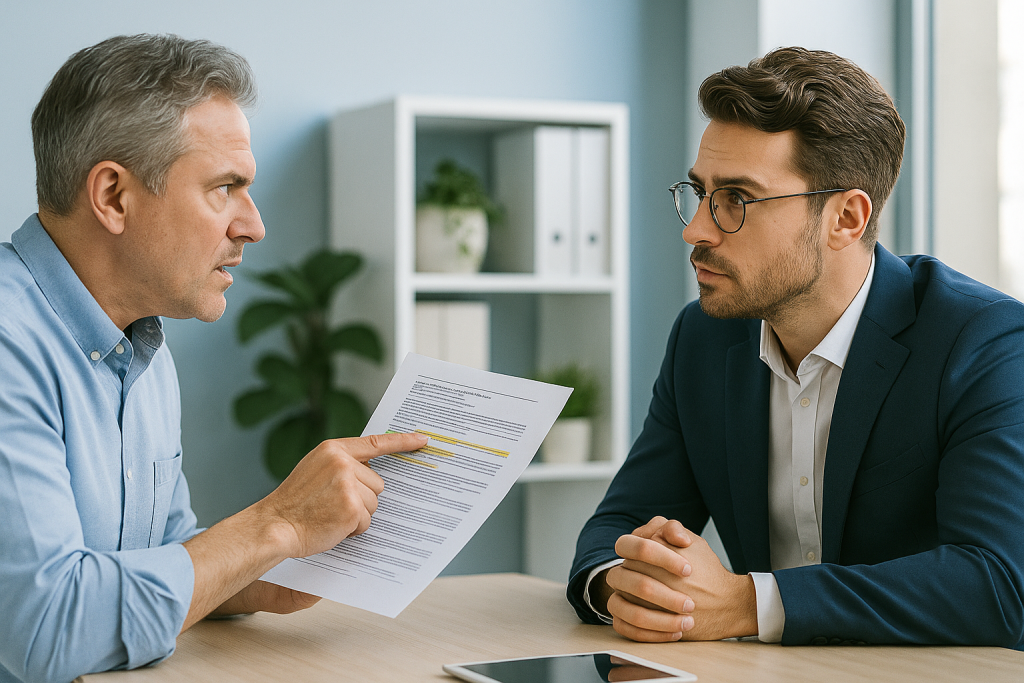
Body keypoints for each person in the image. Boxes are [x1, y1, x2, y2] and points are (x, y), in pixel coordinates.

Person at [0, 34, 427, 683]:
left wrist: (259, 578)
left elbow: (153, 559)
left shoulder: (140, 345)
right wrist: (276, 524)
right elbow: (48, 628)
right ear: (113, 196)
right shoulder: (8, 339)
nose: (252, 225)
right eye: (225, 187)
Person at [569, 47, 1024, 648]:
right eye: (699, 192)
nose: (696, 230)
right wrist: (626, 590)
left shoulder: (985, 342)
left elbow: (998, 585)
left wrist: (745, 604)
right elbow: (620, 526)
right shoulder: (703, 339)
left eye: (737, 200)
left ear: (846, 218)